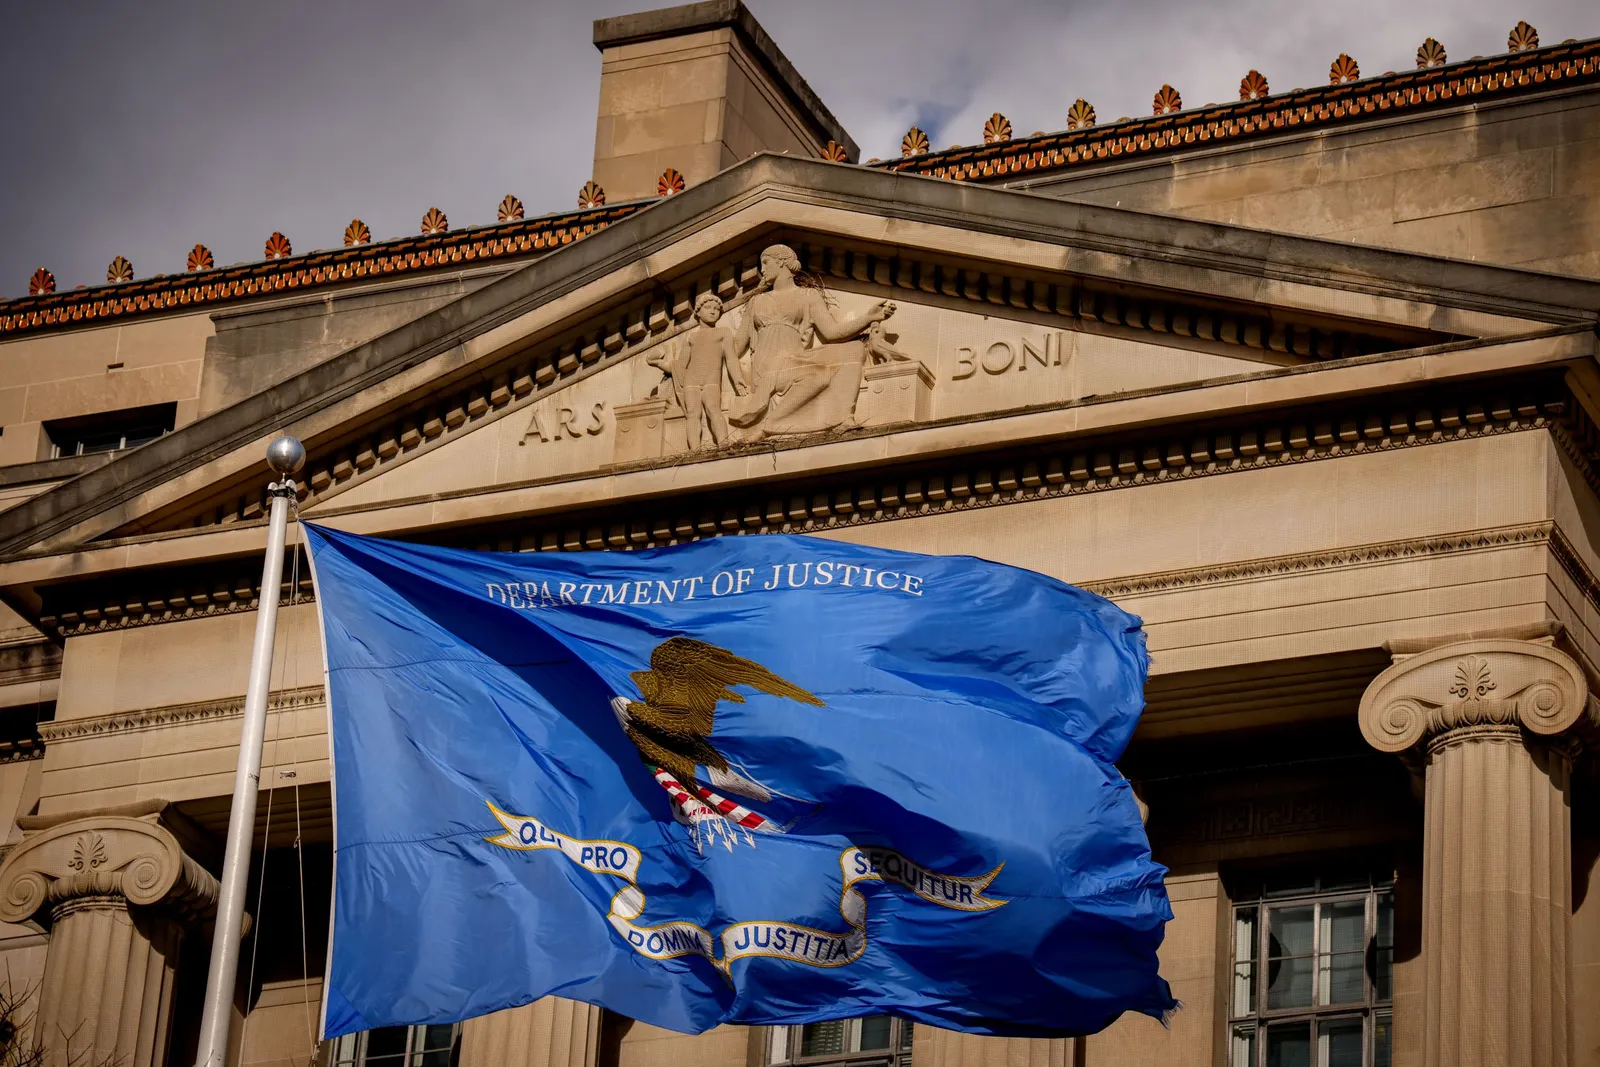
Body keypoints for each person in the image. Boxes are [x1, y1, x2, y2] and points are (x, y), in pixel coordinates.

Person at [727, 245, 895, 439]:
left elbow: (832, 332)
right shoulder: (757, 302)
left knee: (854, 350)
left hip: (797, 359)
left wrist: (867, 318)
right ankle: (771, 425)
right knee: (818, 375)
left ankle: (844, 417)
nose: (762, 269)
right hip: (769, 367)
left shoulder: (808, 295)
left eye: (766, 263)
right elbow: (735, 347)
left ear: (782, 261)